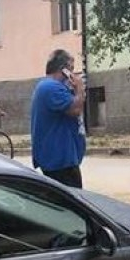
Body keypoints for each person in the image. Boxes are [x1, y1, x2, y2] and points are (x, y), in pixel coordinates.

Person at [30, 49, 86, 188]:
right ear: (64, 69)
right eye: (71, 69)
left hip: (61, 158)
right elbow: (75, 109)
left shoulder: (52, 87)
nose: (73, 73)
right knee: (73, 204)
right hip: (59, 160)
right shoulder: (51, 87)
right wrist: (80, 89)